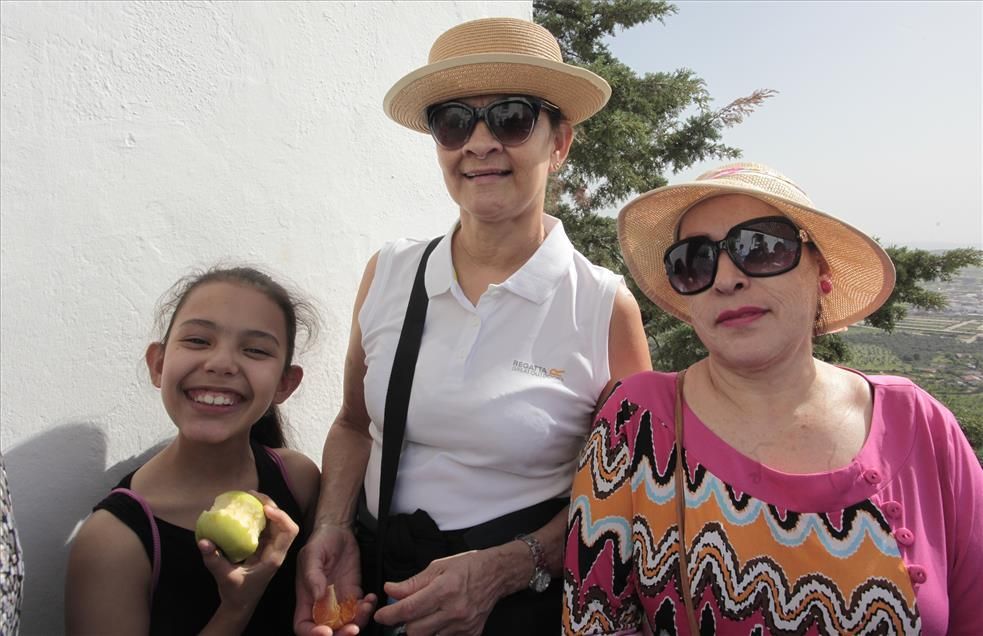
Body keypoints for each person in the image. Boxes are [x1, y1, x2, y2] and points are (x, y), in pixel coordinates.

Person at [295, 16, 651, 636]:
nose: (479, 143)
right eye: (454, 121)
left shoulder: (601, 305)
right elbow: (355, 424)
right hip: (376, 589)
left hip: (519, 609)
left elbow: (628, 491)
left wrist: (510, 568)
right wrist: (331, 525)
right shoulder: (390, 271)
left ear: (559, 142)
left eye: (511, 118)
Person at [563, 162, 983, 634]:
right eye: (695, 261)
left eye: (761, 248)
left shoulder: (919, 421)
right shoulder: (638, 420)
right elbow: (593, 621)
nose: (726, 279)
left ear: (819, 269)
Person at [65, 267, 321, 635]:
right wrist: (237, 606)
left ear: (285, 383)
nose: (221, 363)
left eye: (255, 350)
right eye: (199, 341)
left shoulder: (298, 479)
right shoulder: (112, 542)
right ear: (158, 364)